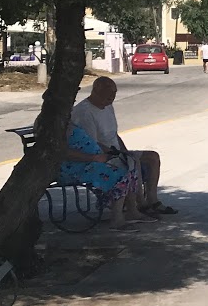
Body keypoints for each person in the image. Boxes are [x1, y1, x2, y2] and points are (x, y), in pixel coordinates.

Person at [69, 76, 176, 217]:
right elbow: (92, 143)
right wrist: (118, 154)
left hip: (116, 150)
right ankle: (140, 204)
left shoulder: (108, 106)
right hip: (103, 154)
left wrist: (124, 150)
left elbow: (114, 134)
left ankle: (152, 200)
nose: (111, 98)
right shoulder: (84, 112)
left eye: (114, 94)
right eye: (107, 94)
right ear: (95, 91)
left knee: (152, 157)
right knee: (132, 162)